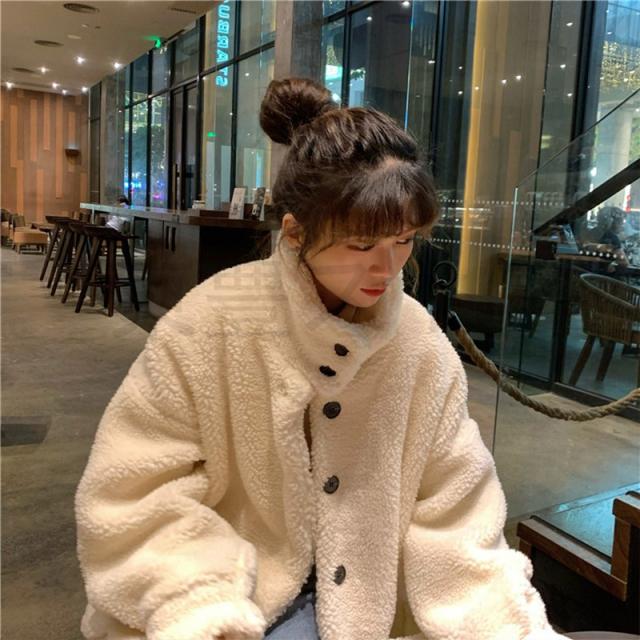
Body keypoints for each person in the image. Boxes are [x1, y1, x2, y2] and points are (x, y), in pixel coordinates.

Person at [74, 77, 566, 640]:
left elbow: (459, 504)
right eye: (362, 245)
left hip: (372, 604)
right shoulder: (213, 320)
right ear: (295, 233)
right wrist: (198, 600)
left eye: (404, 240)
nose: (388, 268)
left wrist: (500, 621)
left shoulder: (418, 342)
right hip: (236, 593)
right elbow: (132, 489)